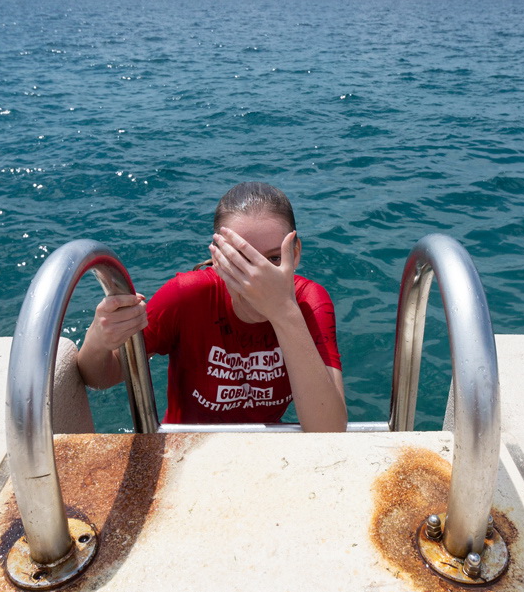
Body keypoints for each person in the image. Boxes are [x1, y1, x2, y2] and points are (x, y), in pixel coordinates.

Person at [76, 182, 347, 432]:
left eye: (274, 258)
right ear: (217, 259)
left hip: (261, 447)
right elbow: (99, 378)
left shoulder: (309, 302)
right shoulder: (186, 295)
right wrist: (98, 339)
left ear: (295, 254)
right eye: (240, 261)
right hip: (185, 446)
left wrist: (283, 312)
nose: (257, 277)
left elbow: (329, 431)